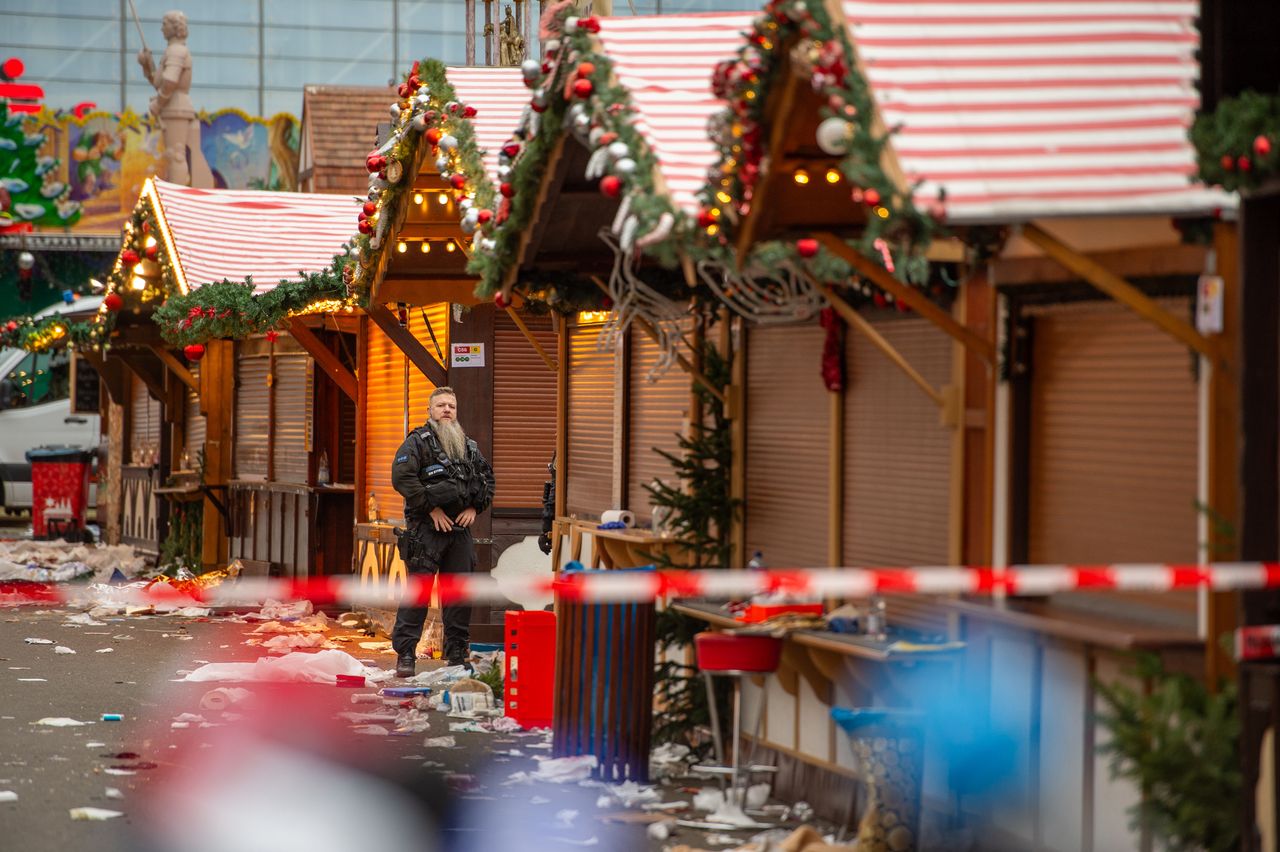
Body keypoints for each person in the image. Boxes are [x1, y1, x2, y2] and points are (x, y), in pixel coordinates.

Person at [390, 387, 495, 678]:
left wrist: (475, 507)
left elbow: (487, 480)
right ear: (430, 411)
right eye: (441, 405)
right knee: (418, 593)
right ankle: (406, 654)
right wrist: (430, 509)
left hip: (459, 529)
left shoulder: (469, 446)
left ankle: (457, 654)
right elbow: (402, 478)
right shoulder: (416, 443)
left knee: (459, 593)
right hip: (427, 528)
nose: (447, 409)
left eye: (451, 405)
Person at [136, 10, 213, 188]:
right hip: (173, 106)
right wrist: (147, 65)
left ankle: (177, 199)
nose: (162, 28)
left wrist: (159, 102)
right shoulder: (173, 50)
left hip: (176, 107)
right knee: (173, 155)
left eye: (165, 24)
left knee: (176, 155)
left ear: (175, 27)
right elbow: (160, 81)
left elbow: (170, 81)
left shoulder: (176, 51)